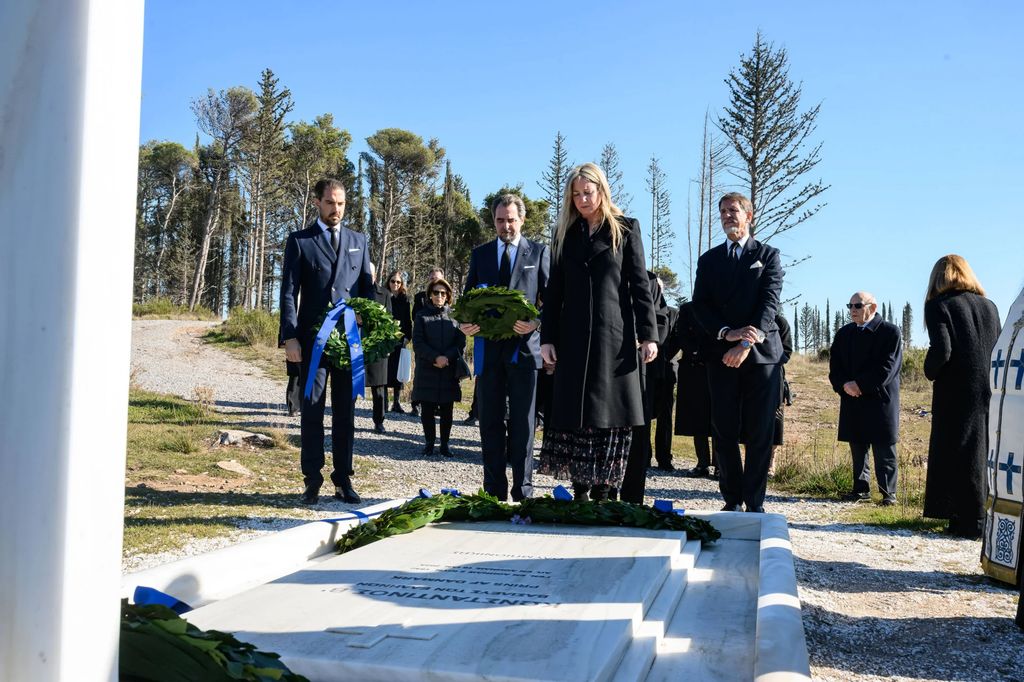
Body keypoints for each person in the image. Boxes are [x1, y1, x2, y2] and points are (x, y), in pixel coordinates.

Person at [539, 162, 658, 502]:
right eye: (575, 194)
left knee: (608, 414)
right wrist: (547, 338)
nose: (582, 200)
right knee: (576, 414)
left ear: (602, 191)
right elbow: (555, 292)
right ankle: (579, 489)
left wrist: (649, 335)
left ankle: (605, 489)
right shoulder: (564, 234)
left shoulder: (626, 229)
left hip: (614, 339)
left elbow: (640, 287)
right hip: (572, 339)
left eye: (587, 193)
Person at [280, 178, 372, 505]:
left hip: (348, 342)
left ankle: (343, 479)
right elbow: (289, 293)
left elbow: (367, 291)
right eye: (331, 203)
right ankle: (311, 479)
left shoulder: (359, 241)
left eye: (342, 203)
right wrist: (290, 336)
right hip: (311, 343)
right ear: (317, 202)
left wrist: (367, 319)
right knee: (312, 411)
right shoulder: (300, 241)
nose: (337, 209)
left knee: (345, 413)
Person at [691, 192, 784, 512]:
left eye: (733, 211)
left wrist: (746, 342)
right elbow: (699, 306)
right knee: (724, 429)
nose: (727, 216)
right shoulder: (709, 260)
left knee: (760, 431)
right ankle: (731, 499)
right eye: (723, 212)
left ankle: (755, 502)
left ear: (749, 216)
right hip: (722, 354)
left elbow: (769, 303)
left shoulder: (768, 256)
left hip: (761, 357)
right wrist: (727, 334)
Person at [461, 194, 550, 501]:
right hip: (489, 354)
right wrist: (464, 323)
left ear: (521, 220)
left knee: (524, 427)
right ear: (494, 221)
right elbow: (467, 300)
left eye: (511, 220)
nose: (506, 226)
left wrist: (536, 323)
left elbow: (552, 301)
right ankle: (494, 492)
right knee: (490, 423)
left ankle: (523, 491)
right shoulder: (481, 254)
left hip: (525, 352)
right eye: (500, 220)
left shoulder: (538, 252)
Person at [922, 255, 1000, 537]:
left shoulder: (938, 305)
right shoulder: (989, 306)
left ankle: (964, 517)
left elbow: (941, 351)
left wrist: (929, 370)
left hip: (956, 388)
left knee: (955, 451)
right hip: (989, 386)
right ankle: (979, 515)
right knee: (982, 449)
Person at [828, 291, 902, 506]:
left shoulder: (889, 332)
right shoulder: (844, 334)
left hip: (881, 398)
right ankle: (860, 490)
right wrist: (844, 385)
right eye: (850, 306)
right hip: (852, 398)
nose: (853, 310)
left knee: (883, 446)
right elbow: (835, 366)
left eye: (858, 306)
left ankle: (888, 494)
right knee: (857, 445)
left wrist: (860, 384)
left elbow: (888, 367)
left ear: (873, 307)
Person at [619, 272, 671, 503]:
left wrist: (643, 340)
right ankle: (599, 493)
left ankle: (632, 499)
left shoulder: (648, 281)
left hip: (637, 366)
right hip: (599, 364)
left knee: (638, 431)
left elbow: (660, 319)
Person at [412, 278, 466, 457]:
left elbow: (461, 342)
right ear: (430, 295)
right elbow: (418, 343)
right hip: (427, 367)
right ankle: (429, 442)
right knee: (427, 409)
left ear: (448, 295)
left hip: (448, 369)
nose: (439, 296)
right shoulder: (421, 316)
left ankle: (445, 444)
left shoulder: (455, 316)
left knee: (447, 409)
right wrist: (435, 357)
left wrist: (447, 358)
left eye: (443, 293)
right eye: (436, 292)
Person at [674, 301, 719, 479]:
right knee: (698, 419)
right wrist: (696, 352)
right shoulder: (687, 309)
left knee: (718, 418)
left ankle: (720, 465)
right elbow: (681, 335)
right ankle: (702, 463)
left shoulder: (721, 306)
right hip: (693, 370)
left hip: (717, 367)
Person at [411, 267, 445, 416]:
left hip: (442, 341)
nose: (435, 280)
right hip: (424, 340)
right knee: (420, 374)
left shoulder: (445, 294)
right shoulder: (420, 297)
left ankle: (437, 404)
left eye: (437, 278)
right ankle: (416, 404)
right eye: (432, 278)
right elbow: (415, 315)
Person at [365, 263, 392, 434]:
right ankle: (347, 417)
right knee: (353, 385)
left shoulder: (384, 294)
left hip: (377, 347)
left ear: (375, 275)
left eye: (370, 274)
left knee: (379, 388)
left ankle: (379, 421)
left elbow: (389, 320)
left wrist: (386, 344)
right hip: (356, 344)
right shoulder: (352, 291)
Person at [766, 314, 794, 477]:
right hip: (748, 375)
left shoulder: (780, 321)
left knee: (775, 421)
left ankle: (771, 463)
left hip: (774, 376)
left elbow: (787, 351)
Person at [385, 269, 413, 413]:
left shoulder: (405, 299)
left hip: (400, 338)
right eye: (393, 281)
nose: (395, 284)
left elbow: (408, 320)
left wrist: (408, 336)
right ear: (388, 282)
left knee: (398, 370)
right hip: (384, 338)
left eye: (398, 282)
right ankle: (383, 401)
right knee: (384, 370)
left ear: (402, 284)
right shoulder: (383, 295)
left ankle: (396, 402)